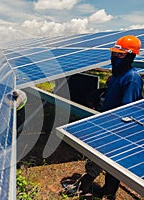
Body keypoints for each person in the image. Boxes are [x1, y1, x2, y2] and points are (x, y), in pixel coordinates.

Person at [63, 35, 143, 199]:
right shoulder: (116, 76)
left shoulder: (132, 78)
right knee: (105, 162)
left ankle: (95, 190)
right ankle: (106, 191)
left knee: (102, 161)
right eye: (114, 53)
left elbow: (127, 109)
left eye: (120, 54)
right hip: (107, 121)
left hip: (117, 127)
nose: (115, 57)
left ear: (131, 56)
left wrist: (113, 130)